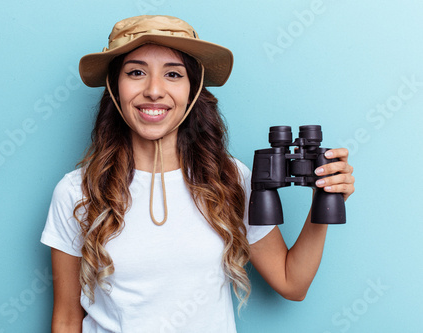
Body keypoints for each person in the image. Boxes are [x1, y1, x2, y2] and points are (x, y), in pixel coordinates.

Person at [40, 15, 355, 333]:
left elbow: (292, 284)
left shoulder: (228, 178)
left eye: (173, 74)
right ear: (114, 87)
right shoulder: (78, 191)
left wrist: (323, 199)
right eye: (136, 72)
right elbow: (67, 318)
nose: (153, 90)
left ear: (192, 90)